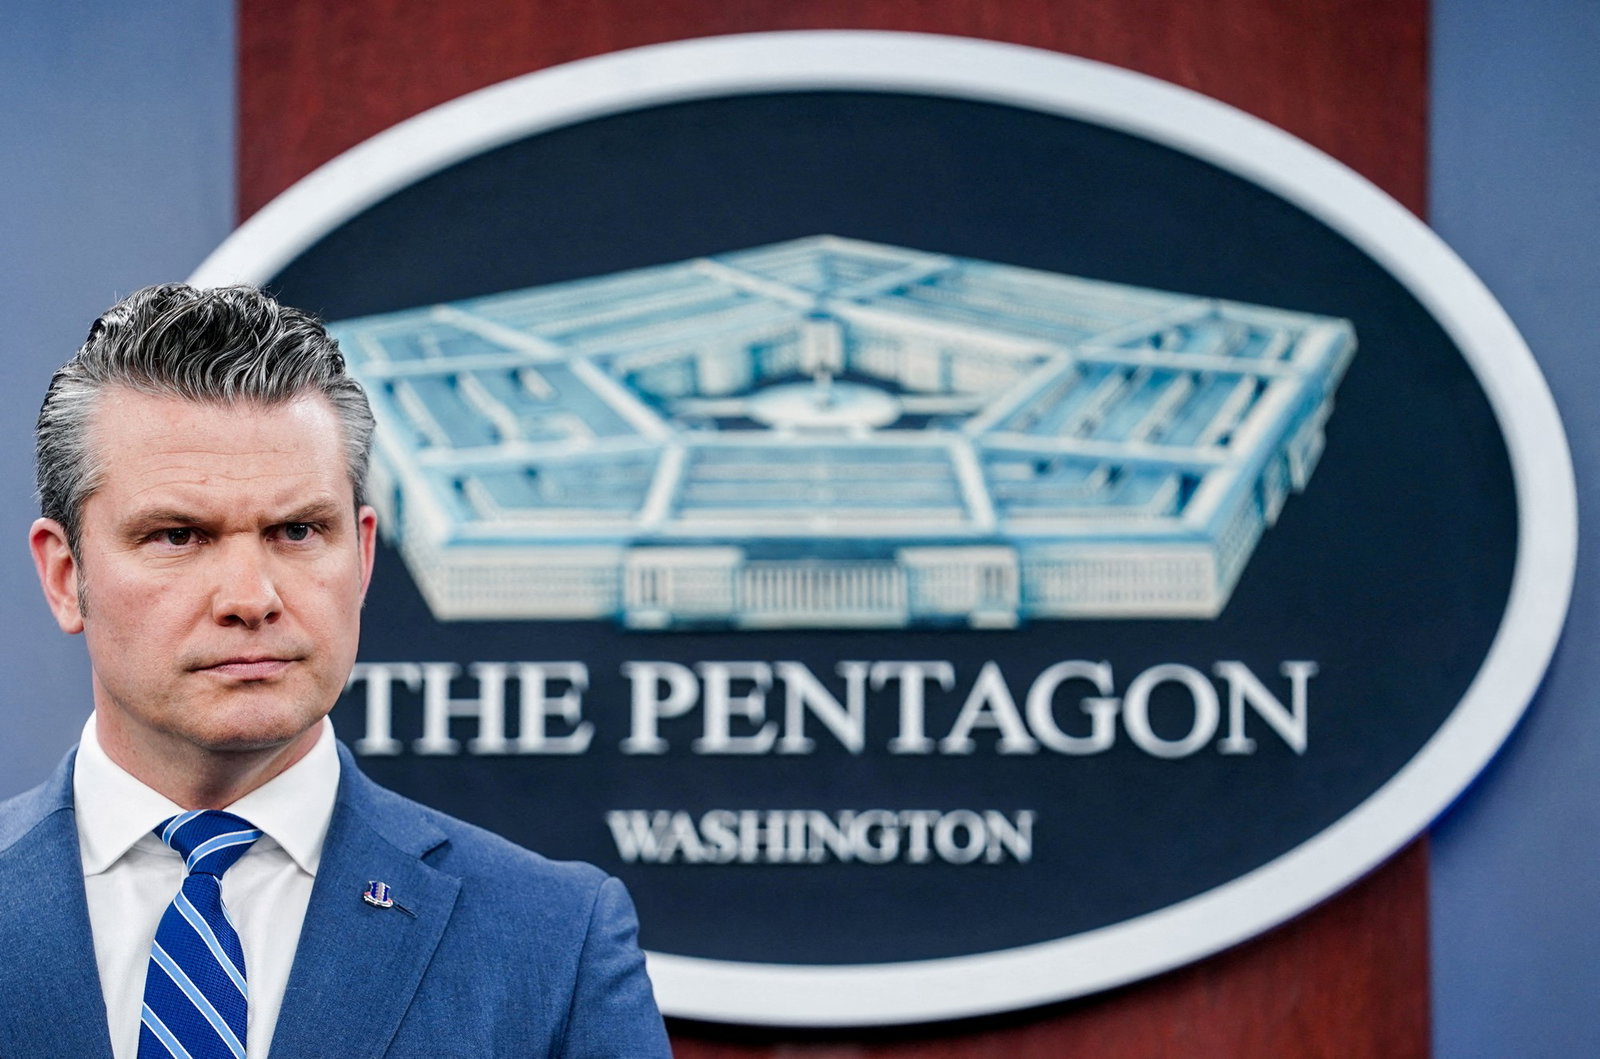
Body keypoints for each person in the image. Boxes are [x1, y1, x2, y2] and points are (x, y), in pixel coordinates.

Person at [0, 284, 671, 1058]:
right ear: (63, 574)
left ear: (362, 555)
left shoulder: (554, 945)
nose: (250, 597)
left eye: (296, 530)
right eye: (178, 535)